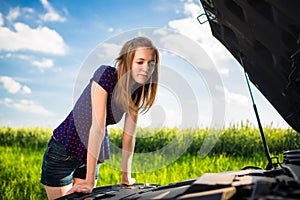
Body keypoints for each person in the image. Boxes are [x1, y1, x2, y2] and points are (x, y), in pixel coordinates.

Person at [40, 36, 160, 200]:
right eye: (140, 62)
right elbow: (97, 126)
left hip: (92, 155)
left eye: (151, 64)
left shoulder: (135, 93)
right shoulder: (106, 74)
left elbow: (129, 136)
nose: (146, 68)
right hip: (64, 150)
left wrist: (126, 176)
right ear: (127, 62)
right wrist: (89, 181)